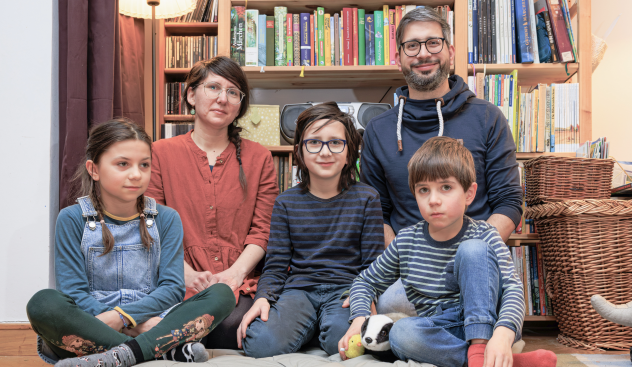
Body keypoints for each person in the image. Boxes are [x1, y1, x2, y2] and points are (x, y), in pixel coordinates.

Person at [26, 119, 236, 367]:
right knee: (43, 304)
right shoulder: (71, 219)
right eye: (123, 164)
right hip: (95, 320)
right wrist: (128, 324)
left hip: (154, 316)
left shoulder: (167, 219)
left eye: (144, 165)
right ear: (94, 169)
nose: (136, 174)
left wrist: (124, 317)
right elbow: (74, 293)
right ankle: (159, 351)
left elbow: (172, 289)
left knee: (222, 294)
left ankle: (116, 356)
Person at [360, 8, 523, 315]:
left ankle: (462, 334)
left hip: (475, 262)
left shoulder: (488, 118)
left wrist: (468, 257)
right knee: (392, 309)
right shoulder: (378, 131)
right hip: (412, 274)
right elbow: (376, 212)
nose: (423, 54)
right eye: (412, 45)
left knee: (486, 302)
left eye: (433, 43)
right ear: (399, 58)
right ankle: (478, 341)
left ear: (449, 51)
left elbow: (509, 202)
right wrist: (411, 261)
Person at [340, 137, 557, 367]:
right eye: (424, 190)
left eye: (446, 187)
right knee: (400, 333)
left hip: (490, 325)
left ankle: (483, 348)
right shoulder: (406, 241)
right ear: (415, 194)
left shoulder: (485, 234)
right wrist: (359, 317)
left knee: (473, 250)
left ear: (469, 194)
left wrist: (504, 334)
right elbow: (365, 282)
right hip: (441, 331)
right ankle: (498, 362)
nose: (434, 200)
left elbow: (513, 290)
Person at [146, 56, 278, 350]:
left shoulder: (260, 158)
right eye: (214, 87)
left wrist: (235, 273)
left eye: (233, 92)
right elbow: (150, 226)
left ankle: (159, 338)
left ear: (240, 105)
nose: (223, 98)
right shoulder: (159, 153)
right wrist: (185, 274)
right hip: (176, 273)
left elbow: (263, 229)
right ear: (191, 94)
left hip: (237, 278)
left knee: (233, 326)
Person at [236, 102, 385, 357]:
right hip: (299, 290)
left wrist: (365, 304)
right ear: (299, 152)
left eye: (335, 143)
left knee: (345, 345)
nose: (324, 151)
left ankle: (320, 327)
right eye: (314, 143)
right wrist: (263, 298)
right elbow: (276, 265)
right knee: (259, 343)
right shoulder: (285, 202)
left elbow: (372, 266)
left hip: (346, 290)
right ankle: (308, 325)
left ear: (350, 152)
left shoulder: (368, 199)